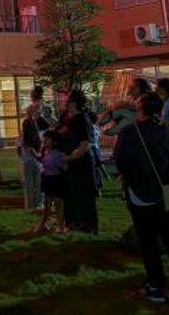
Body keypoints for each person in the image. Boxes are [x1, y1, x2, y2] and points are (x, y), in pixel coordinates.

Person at [113, 92, 169, 303]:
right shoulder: (163, 131)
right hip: (166, 189)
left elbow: (120, 160)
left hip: (140, 191)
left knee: (148, 240)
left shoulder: (130, 132)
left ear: (141, 108)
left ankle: (155, 286)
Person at [58, 90, 99, 233]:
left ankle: (86, 227)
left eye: (68, 100)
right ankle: (73, 224)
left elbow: (85, 145)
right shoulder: (68, 119)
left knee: (83, 196)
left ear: (74, 103)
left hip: (81, 165)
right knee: (71, 196)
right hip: (70, 165)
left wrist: (68, 158)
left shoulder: (82, 120)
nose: (65, 102)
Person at [37, 131, 66, 232]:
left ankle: (61, 227)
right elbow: (44, 163)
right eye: (44, 138)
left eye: (47, 139)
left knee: (58, 205)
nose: (44, 140)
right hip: (47, 180)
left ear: (54, 141)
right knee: (47, 206)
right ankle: (42, 225)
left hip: (56, 181)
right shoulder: (45, 152)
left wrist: (64, 161)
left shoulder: (58, 153)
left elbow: (64, 168)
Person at [19, 103, 43, 211]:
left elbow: (20, 149)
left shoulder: (24, 135)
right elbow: (31, 146)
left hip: (28, 160)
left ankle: (31, 205)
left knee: (30, 184)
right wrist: (38, 155)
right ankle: (37, 203)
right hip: (34, 160)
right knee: (36, 183)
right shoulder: (32, 130)